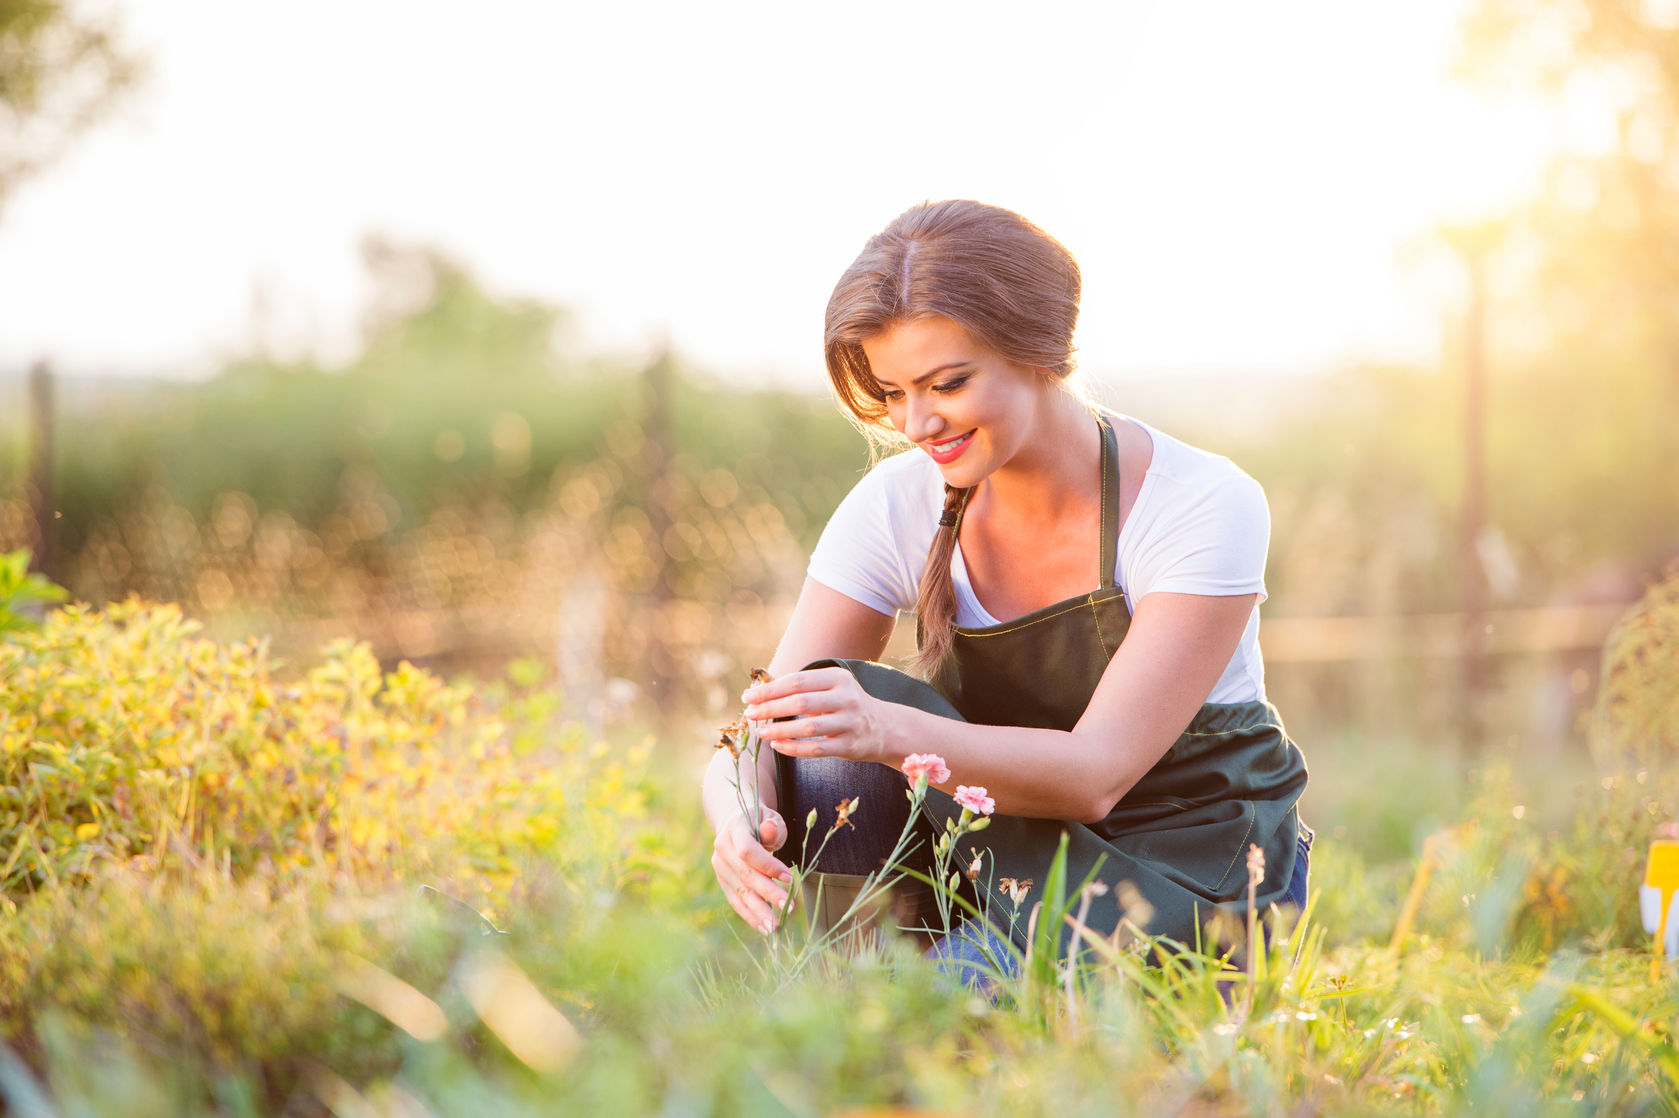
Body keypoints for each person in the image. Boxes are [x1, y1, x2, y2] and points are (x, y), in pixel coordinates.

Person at [701, 199, 1309, 965]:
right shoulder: (898, 503)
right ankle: (850, 984)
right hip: (995, 861)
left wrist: (888, 731)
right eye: (891, 393)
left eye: (947, 383)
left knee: (978, 1018)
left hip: (1189, 866)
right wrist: (732, 814)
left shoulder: (1199, 501)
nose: (916, 424)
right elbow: (760, 726)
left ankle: (908, 997)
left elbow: (1095, 775)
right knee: (829, 702)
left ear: (1039, 350)